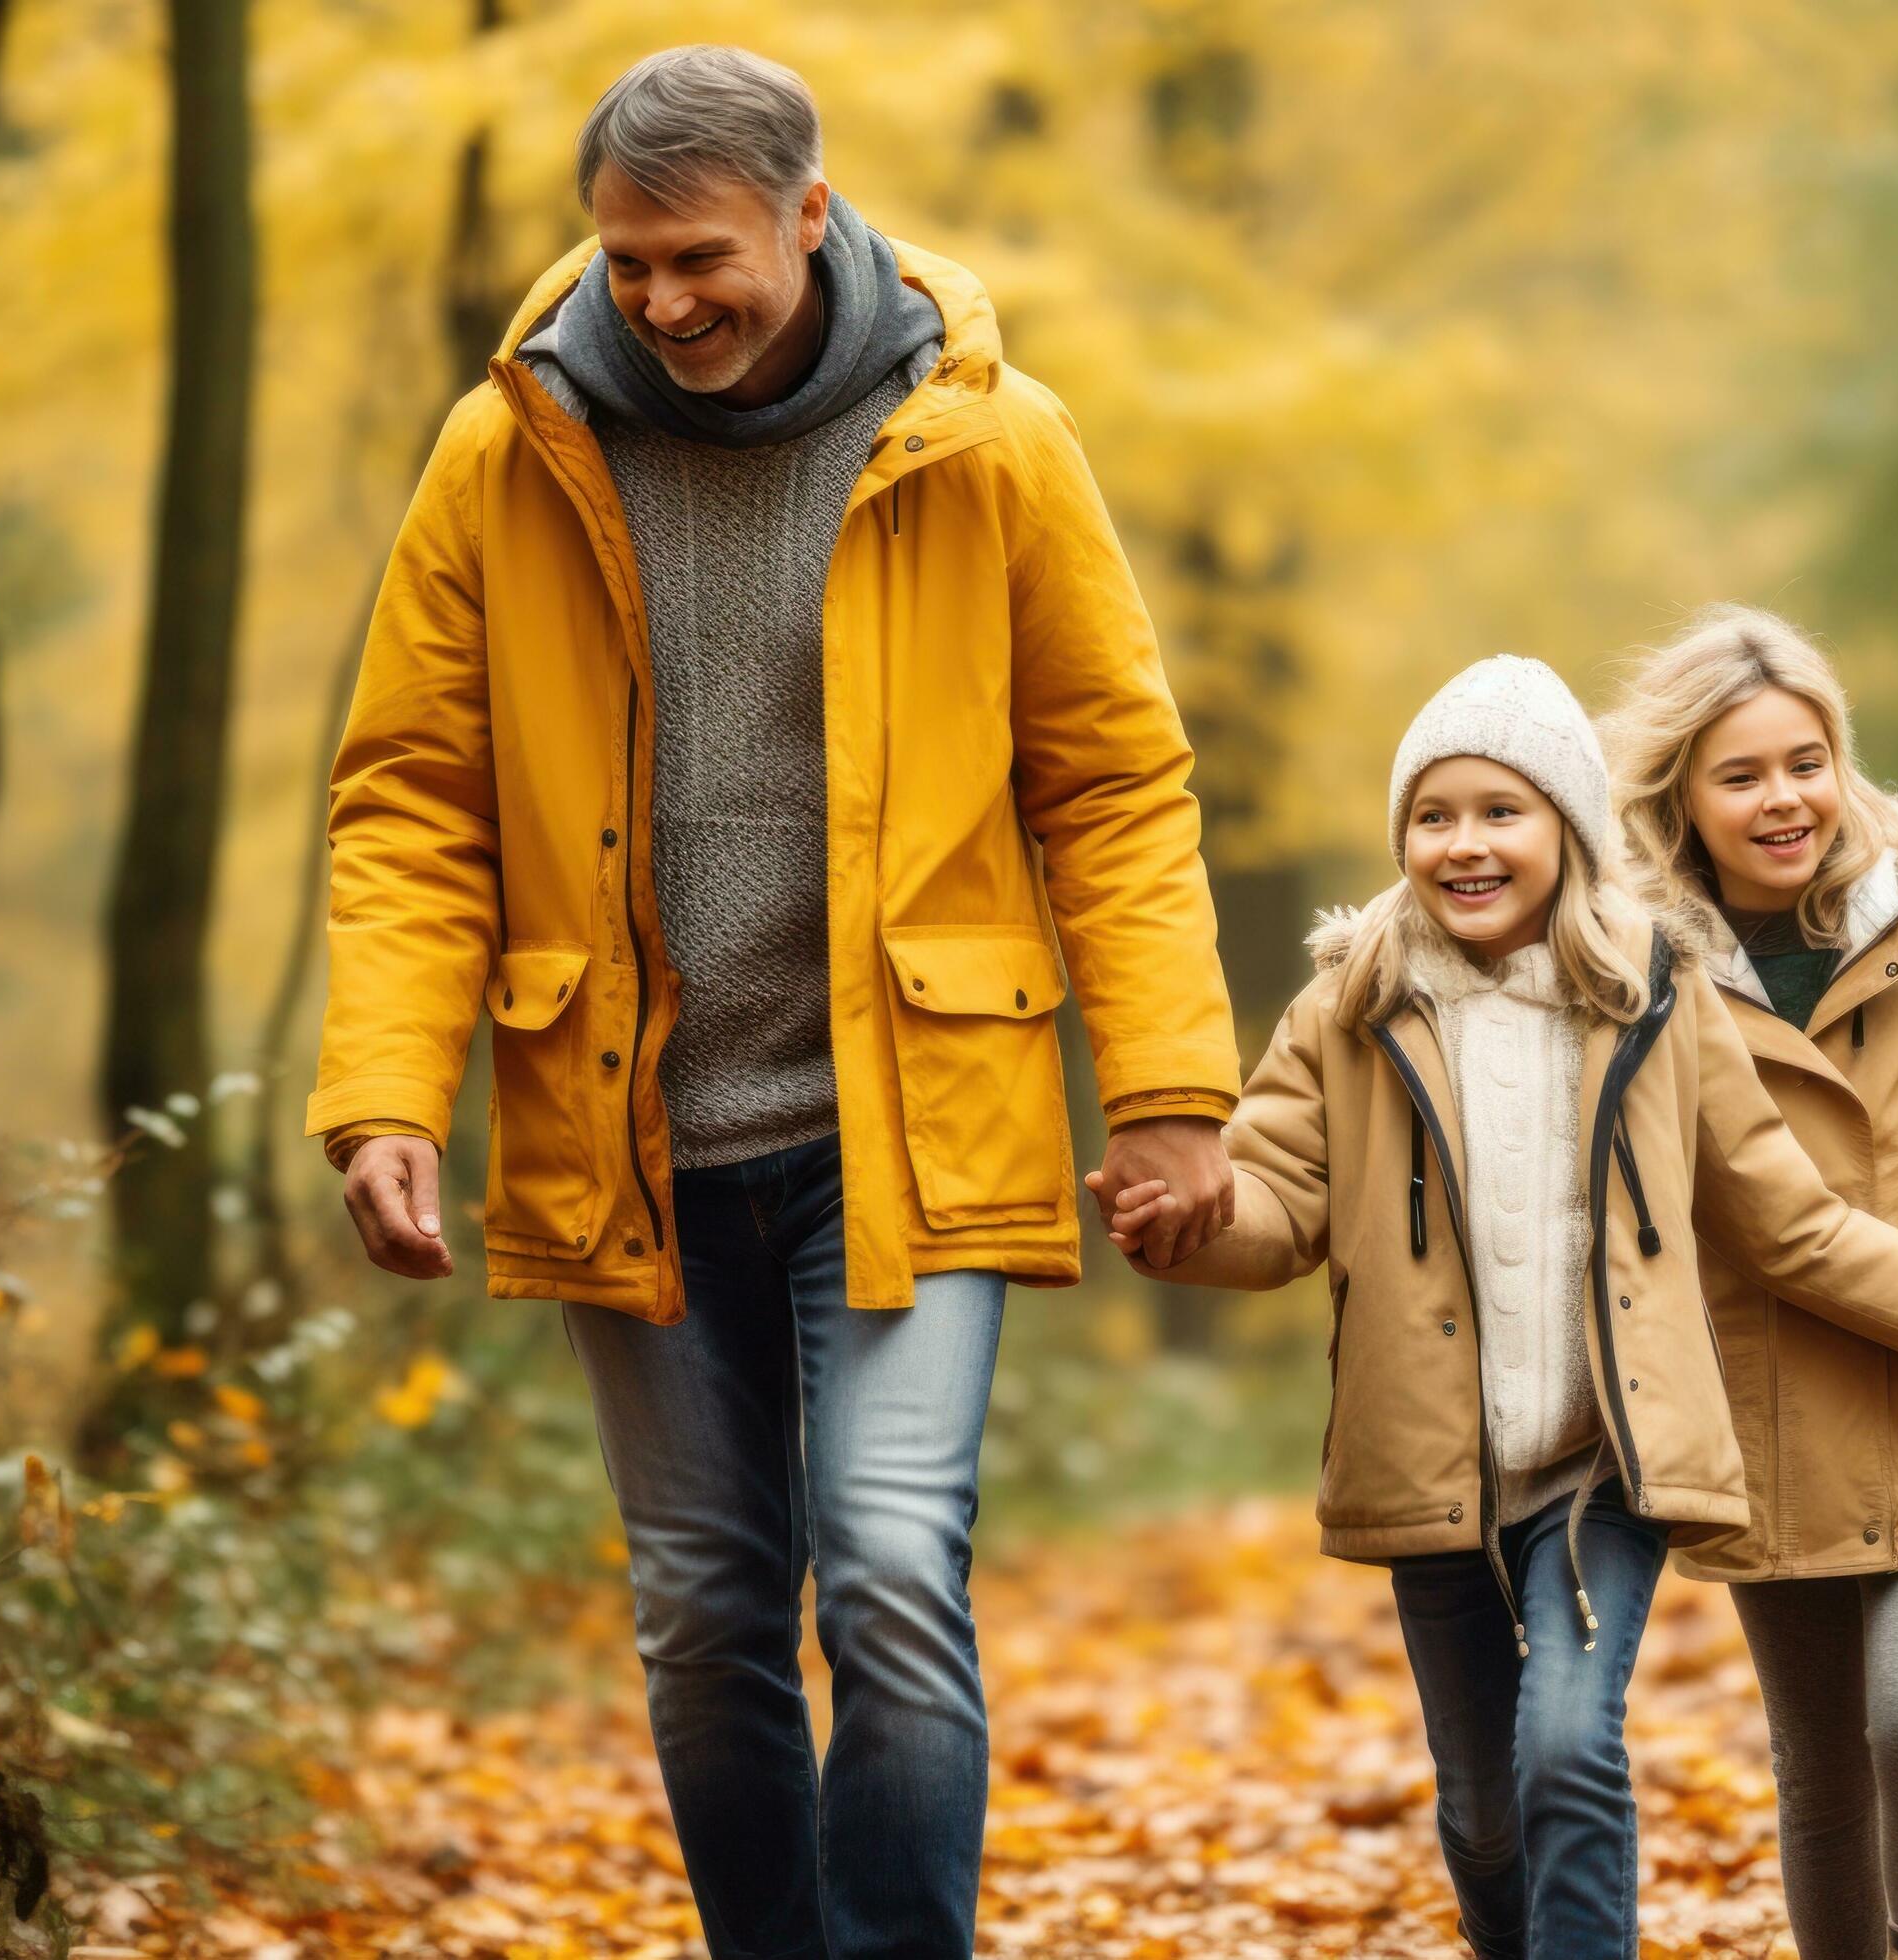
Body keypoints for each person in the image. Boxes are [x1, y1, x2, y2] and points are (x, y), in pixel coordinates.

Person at [305, 45, 1244, 1959]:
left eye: (702, 257)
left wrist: (1166, 1088)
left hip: (904, 1126)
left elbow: (1112, 783)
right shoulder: (509, 448)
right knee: (706, 1611)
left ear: (813, 215)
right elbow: (413, 792)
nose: (663, 302)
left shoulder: (991, 441)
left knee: (891, 1569)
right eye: (629, 261)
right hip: (628, 1135)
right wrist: (385, 1089)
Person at [1091, 654, 1898, 1958]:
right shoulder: (1350, 1009)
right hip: (1431, 1473)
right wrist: (1188, 1229)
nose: (1465, 844)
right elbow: (1278, 1205)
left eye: (1501, 812)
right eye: (1434, 816)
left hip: (1603, 1471)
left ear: (1568, 833)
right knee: (1482, 1816)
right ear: (1402, 837)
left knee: (1567, 1752)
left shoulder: (1653, 997)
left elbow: (1789, 1219)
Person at [1601, 605, 1898, 1960]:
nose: (1784, 798)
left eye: (1806, 761)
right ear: (1683, 797)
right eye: (1741, 774)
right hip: (1763, 1423)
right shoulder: (1637, 977)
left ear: (1842, 761)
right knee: (1821, 1779)